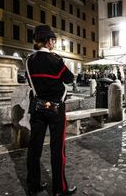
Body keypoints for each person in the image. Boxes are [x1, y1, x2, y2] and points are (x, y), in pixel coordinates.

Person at [26, 25, 77, 196]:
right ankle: (59, 189)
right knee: (57, 149)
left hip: (37, 107)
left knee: (34, 148)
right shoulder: (55, 60)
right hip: (55, 109)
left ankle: (33, 185)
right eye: (53, 40)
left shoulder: (29, 61)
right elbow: (69, 79)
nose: (53, 43)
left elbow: (29, 81)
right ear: (48, 41)